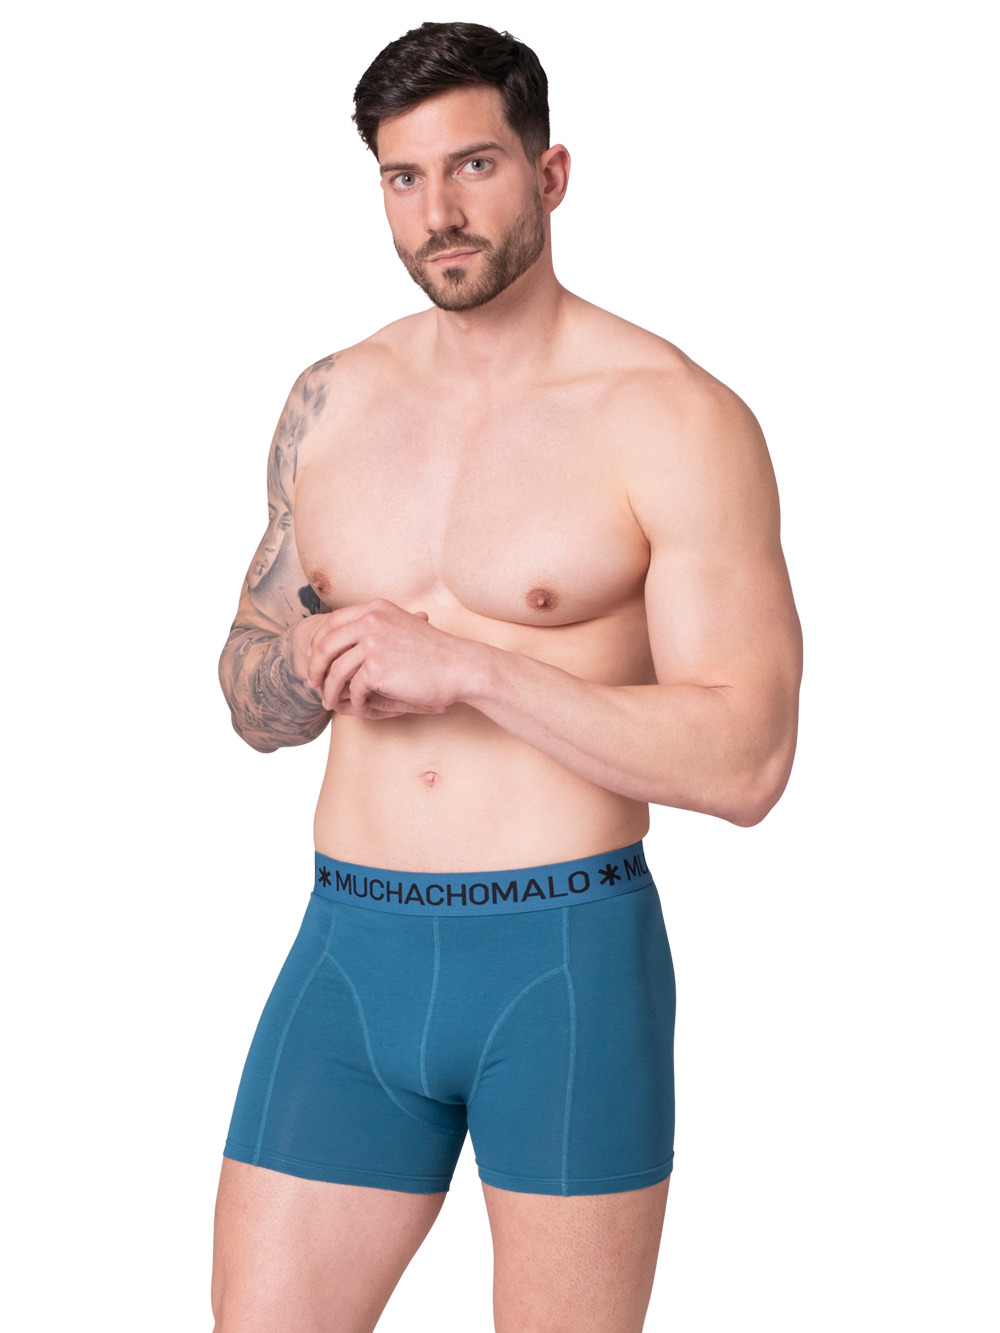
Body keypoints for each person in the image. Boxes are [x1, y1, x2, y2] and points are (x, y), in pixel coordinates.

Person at [213, 21, 801, 1333]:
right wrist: (301, 659)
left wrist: (474, 669)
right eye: (404, 176)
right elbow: (248, 689)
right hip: (347, 947)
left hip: (562, 961)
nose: (439, 211)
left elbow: (750, 761)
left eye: (473, 165)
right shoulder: (330, 403)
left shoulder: (671, 418)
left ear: (551, 173)